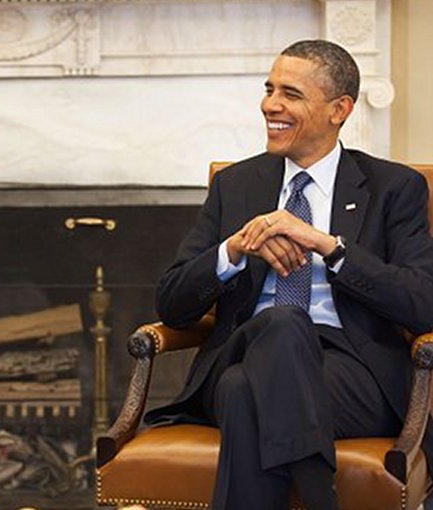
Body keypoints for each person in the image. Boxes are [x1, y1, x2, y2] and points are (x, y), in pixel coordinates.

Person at [144, 39, 433, 510]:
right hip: (247, 345)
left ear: (339, 109)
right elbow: (172, 303)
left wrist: (329, 246)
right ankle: (321, 496)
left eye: (291, 94)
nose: (270, 105)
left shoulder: (393, 187)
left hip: (354, 372)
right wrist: (235, 248)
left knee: (242, 393)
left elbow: (422, 303)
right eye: (269, 88)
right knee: (281, 324)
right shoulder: (236, 185)